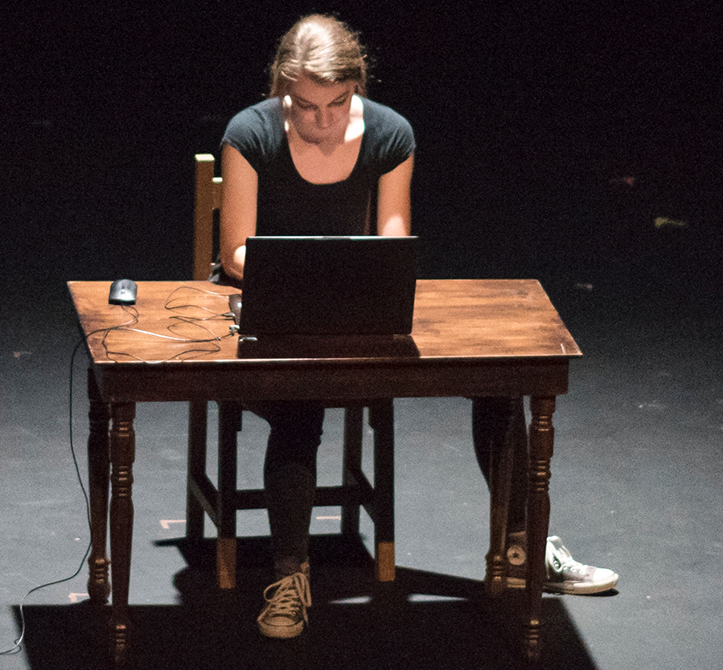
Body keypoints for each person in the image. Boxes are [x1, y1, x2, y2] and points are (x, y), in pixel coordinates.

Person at [214, 14, 617, 640]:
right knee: (298, 404)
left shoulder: (390, 134)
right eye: (304, 104)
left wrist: (371, 279)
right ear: (283, 88)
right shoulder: (250, 132)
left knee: (499, 378)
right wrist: (296, 279)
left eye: (336, 103)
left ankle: (522, 546)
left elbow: (392, 234)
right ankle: (290, 573)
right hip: (278, 313)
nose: (320, 120)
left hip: (360, 312)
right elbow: (235, 253)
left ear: (356, 87)